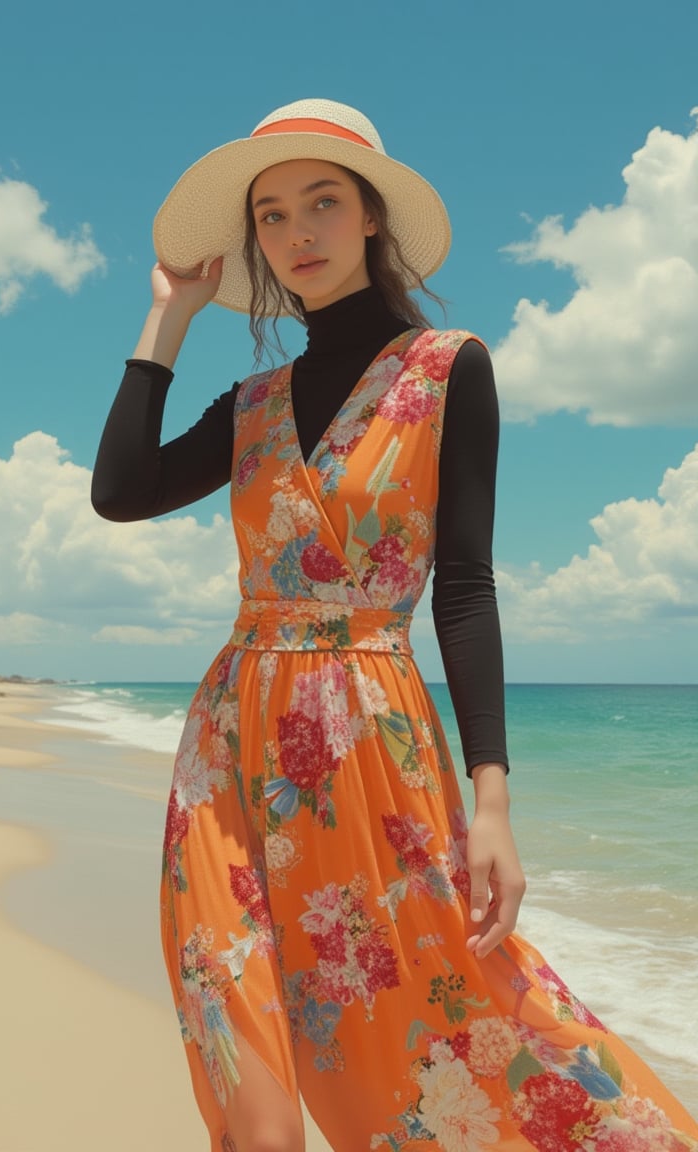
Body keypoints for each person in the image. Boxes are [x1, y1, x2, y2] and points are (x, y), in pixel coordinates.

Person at [92, 99, 698, 1152]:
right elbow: (120, 491)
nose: (299, 234)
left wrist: (493, 803)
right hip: (230, 753)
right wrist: (167, 320)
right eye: (273, 216)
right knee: (236, 1034)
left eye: (323, 202)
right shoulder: (250, 405)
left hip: (374, 749)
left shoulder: (449, 367)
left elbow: (464, 587)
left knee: (449, 1005)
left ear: (373, 218)